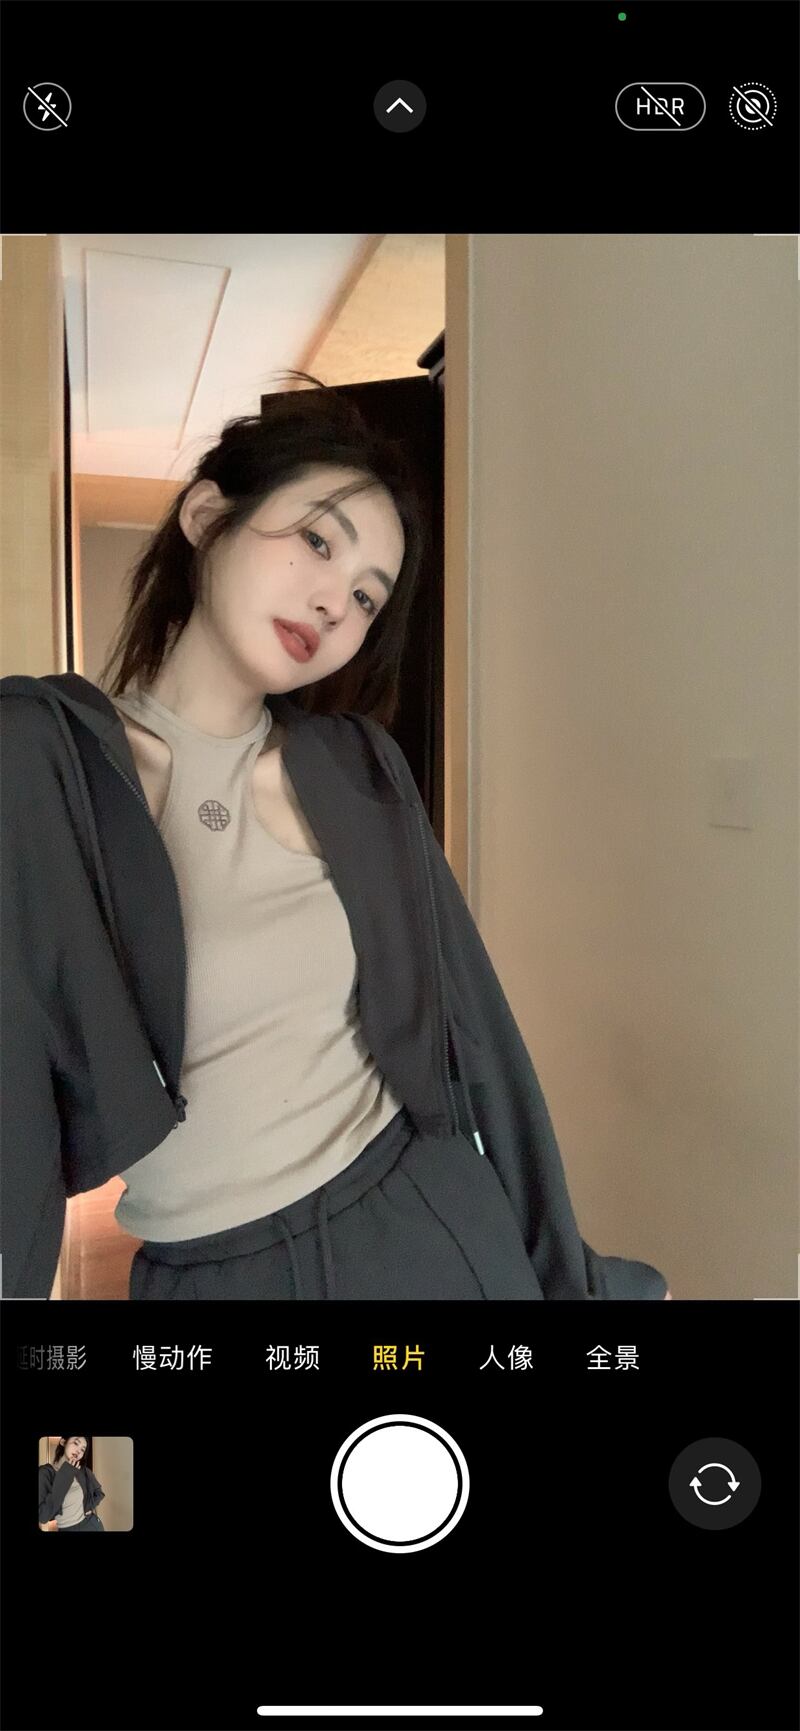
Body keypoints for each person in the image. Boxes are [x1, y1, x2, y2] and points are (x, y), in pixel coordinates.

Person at [2, 373, 671, 1302]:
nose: (334, 605)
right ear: (207, 515)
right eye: (317, 541)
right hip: (204, 1274)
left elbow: (479, 1036)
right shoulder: (46, 762)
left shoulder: (357, 769)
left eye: (366, 597)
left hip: (426, 1228)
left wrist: (573, 1278)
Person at [38, 1438, 105, 1530]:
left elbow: (99, 1493)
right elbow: (43, 1517)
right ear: (63, 1442)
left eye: (82, 1449)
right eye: (76, 1443)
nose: (79, 1451)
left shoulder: (83, 1470)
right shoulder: (44, 1473)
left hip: (90, 1525)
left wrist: (88, 1507)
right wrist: (66, 1474)